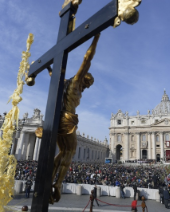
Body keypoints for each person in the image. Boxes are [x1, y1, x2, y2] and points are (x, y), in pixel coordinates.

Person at [43, 34, 101, 204]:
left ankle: (50, 177)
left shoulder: (67, 82)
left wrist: (48, 68)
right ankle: (58, 184)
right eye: (87, 83)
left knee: (63, 151)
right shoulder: (76, 81)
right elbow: (87, 59)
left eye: (87, 85)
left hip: (59, 117)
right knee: (70, 151)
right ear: (85, 78)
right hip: (67, 119)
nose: (86, 87)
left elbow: (54, 75)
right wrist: (96, 36)